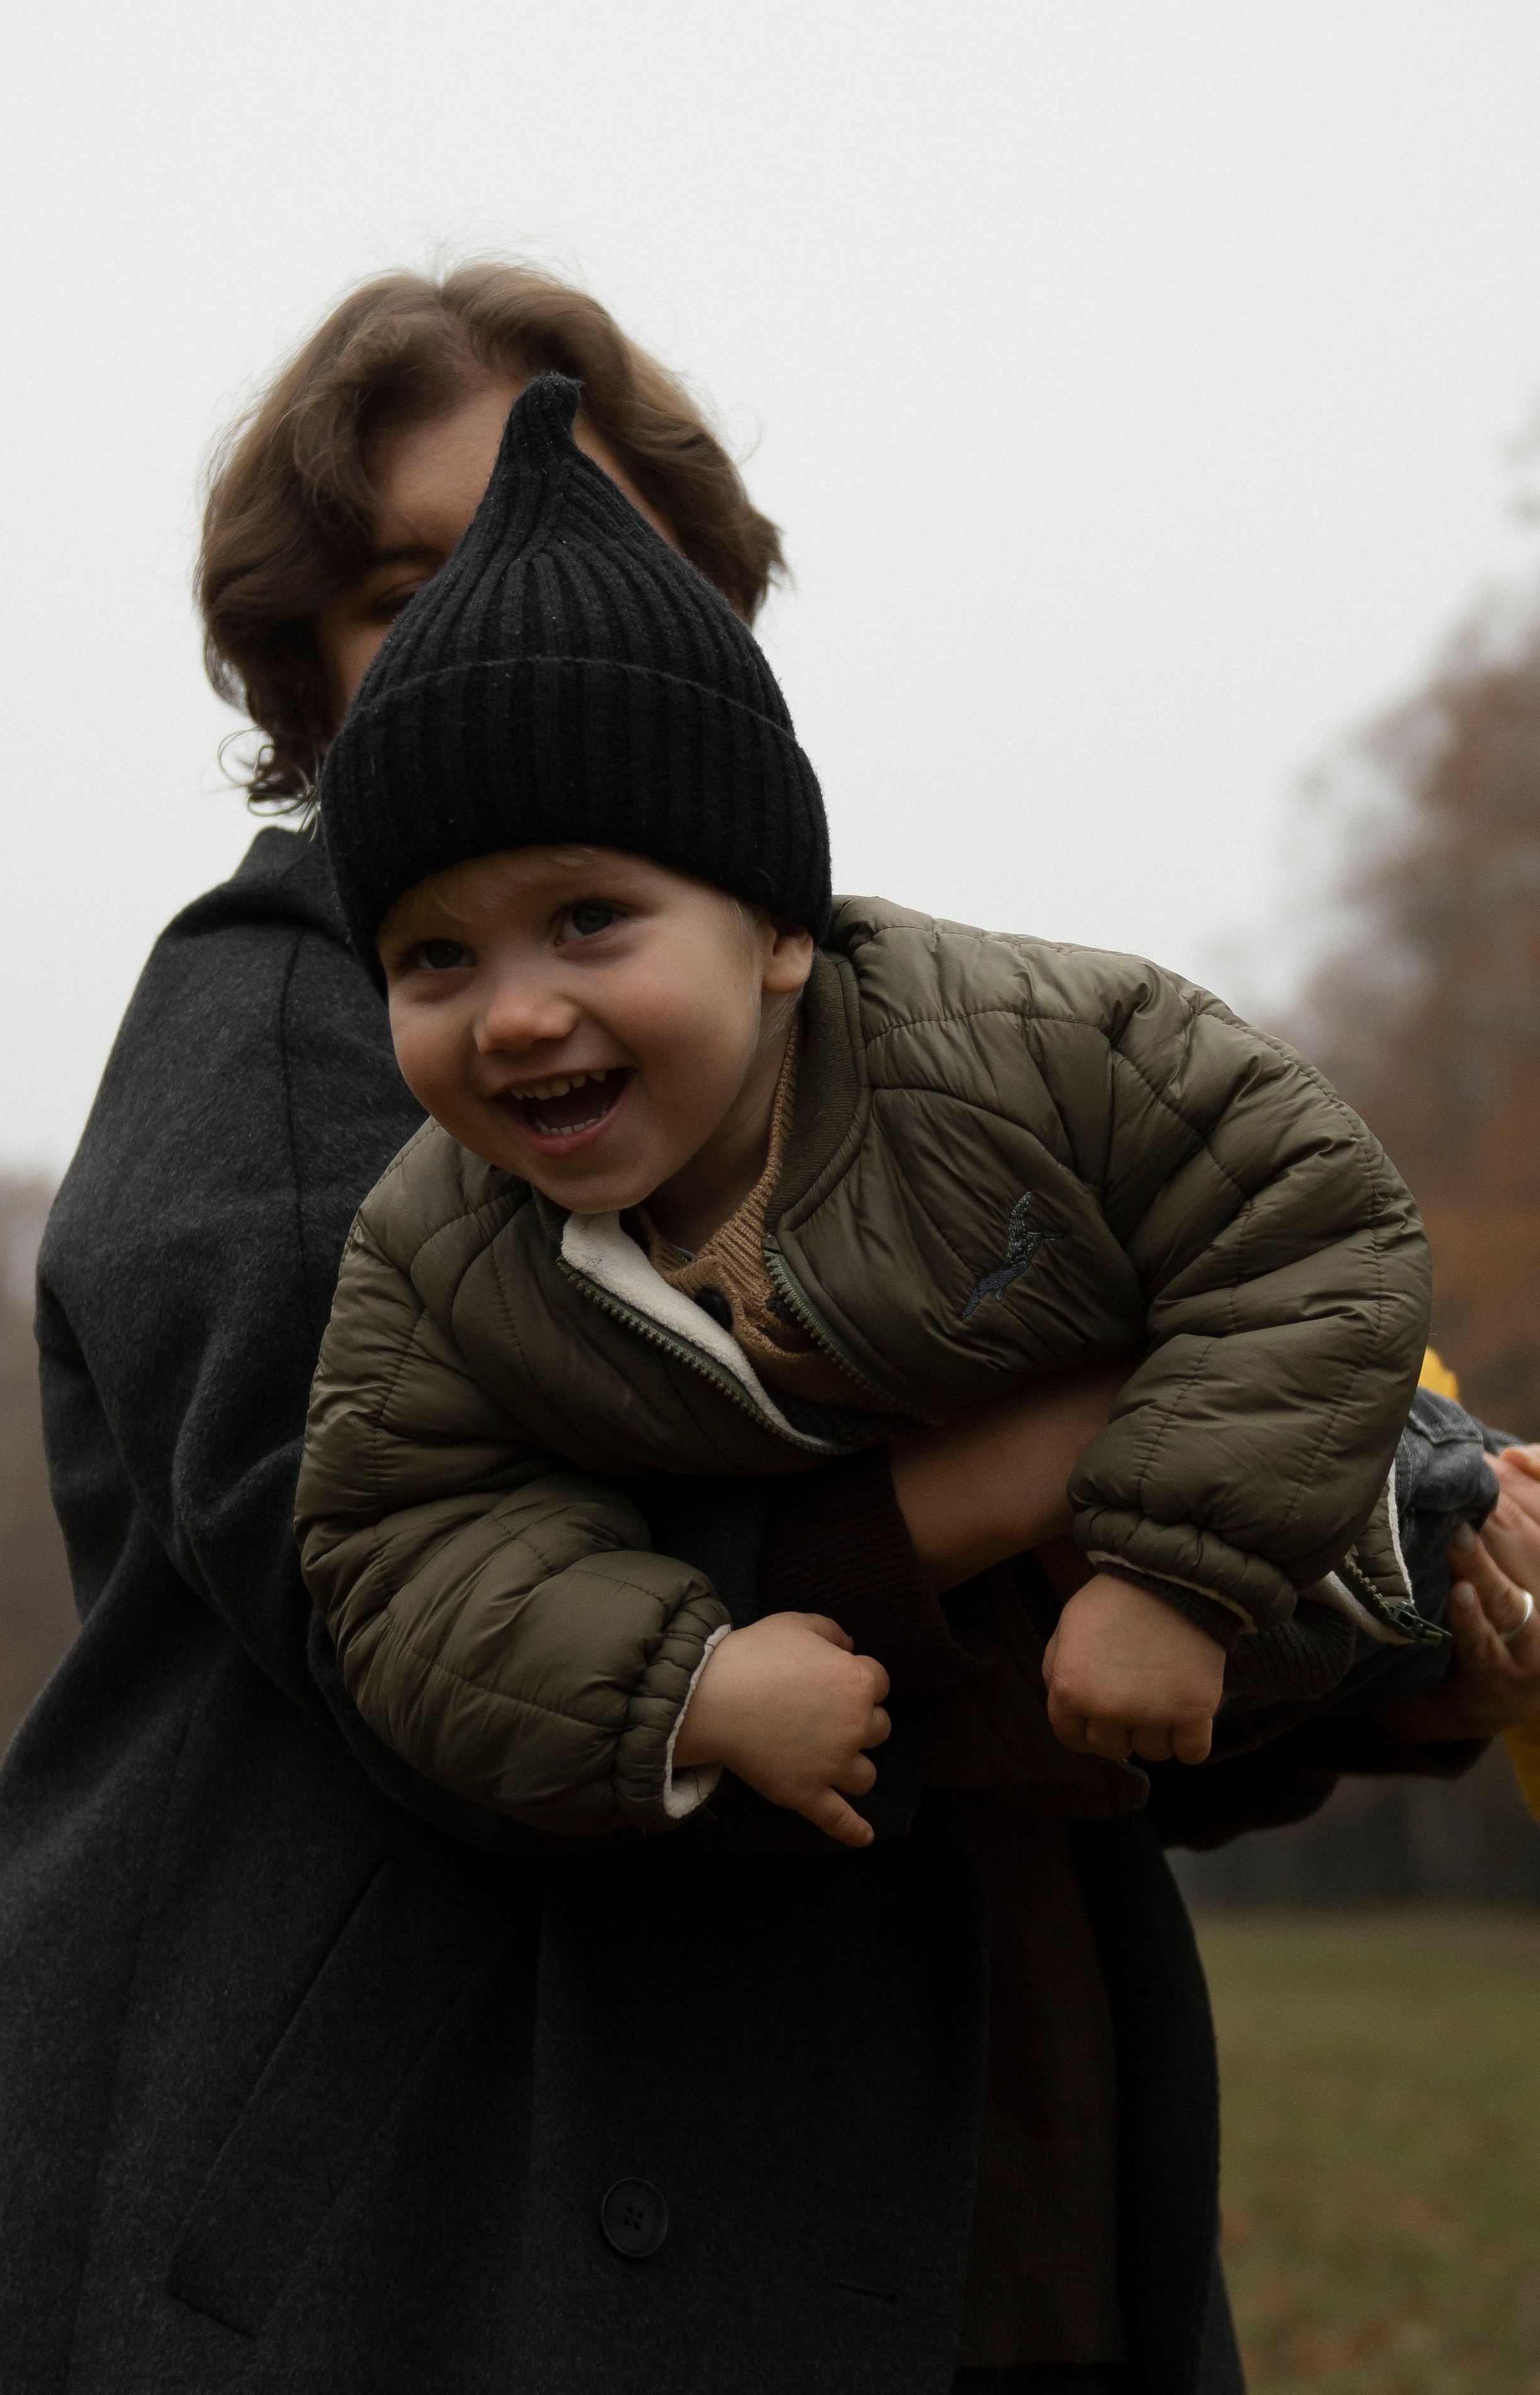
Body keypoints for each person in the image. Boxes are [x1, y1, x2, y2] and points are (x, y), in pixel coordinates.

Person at [0, 263, 1540, 2395]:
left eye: (585, 544)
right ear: (303, 667)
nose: (501, 608)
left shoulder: (862, 1065)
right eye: (405, 592)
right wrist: (1032, 1464)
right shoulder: (288, 1034)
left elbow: (1042, 1690)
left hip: (979, 2170)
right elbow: (386, 1614)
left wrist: (1386, 1640)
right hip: (447, 2219)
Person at [295, 369, 1448, 1858]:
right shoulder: (434, 1256)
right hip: (1053, 1728)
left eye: (587, 920)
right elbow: (403, 1548)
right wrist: (687, 1688)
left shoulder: (1014, 1051)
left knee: (1496, 1555)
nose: (513, 1015)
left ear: (779, 931)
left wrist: (1174, 1578)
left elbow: (1310, 1220)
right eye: (435, 958)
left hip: (1362, 1516)